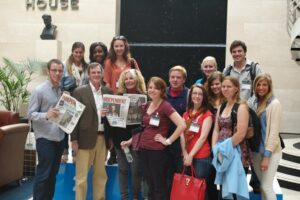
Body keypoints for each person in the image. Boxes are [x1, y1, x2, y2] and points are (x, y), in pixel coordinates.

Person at [223, 40, 262, 191]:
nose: (237, 54)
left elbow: (259, 88)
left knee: (252, 143)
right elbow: (225, 88)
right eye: (234, 52)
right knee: (239, 143)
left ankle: (256, 181)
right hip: (232, 113)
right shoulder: (227, 70)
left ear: (245, 52)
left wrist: (245, 107)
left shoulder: (254, 68)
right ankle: (239, 180)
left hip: (251, 112)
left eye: (239, 51)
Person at [138, 77, 186, 200]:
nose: (152, 90)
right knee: (150, 183)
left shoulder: (165, 106)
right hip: (144, 149)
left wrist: (168, 141)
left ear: (161, 90)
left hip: (157, 152)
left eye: (155, 88)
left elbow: (182, 124)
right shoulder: (147, 105)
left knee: (159, 185)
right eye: (150, 87)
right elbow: (144, 128)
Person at [71, 62, 113, 200]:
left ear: (102, 74)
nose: (96, 74)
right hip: (83, 139)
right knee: (81, 177)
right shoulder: (79, 91)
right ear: (89, 74)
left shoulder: (108, 92)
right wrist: (74, 139)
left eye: (98, 72)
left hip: (102, 139)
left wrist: (110, 138)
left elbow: (112, 119)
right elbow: (74, 118)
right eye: (93, 72)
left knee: (101, 175)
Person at [27, 59, 65, 200]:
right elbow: (30, 114)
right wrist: (46, 115)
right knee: (43, 175)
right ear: (48, 72)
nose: (57, 73)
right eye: (54, 70)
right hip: (45, 139)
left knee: (53, 175)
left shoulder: (61, 89)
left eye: (60, 70)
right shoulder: (39, 90)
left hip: (59, 137)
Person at [109, 69, 147, 200]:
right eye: (126, 79)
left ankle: (136, 197)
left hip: (137, 140)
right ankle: (124, 198)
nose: (129, 81)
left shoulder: (145, 98)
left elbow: (146, 123)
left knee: (136, 171)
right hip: (120, 140)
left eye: (131, 78)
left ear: (137, 80)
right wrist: (105, 116)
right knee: (123, 170)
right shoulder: (117, 97)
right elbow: (111, 122)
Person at [211, 76, 250, 199]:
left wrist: (223, 148)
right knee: (224, 188)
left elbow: (241, 133)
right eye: (223, 86)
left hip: (236, 153)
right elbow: (216, 129)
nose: (225, 89)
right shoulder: (222, 106)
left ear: (236, 89)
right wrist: (215, 148)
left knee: (235, 190)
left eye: (229, 86)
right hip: (221, 153)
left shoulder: (241, 107)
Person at [248, 73, 282, 200]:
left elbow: (273, 133)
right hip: (256, 151)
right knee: (262, 186)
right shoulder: (252, 102)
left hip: (271, 152)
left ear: (269, 86)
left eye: (264, 85)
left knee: (267, 186)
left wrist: (267, 157)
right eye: (258, 85)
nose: (261, 88)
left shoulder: (274, 104)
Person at [180, 85, 213, 200]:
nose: (197, 96)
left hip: (201, 157)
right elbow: (181, 134)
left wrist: (190, 155)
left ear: (204, 97)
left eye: (200, 94)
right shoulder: (186, 114)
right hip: (186, 155)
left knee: (200, 188)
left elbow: (203, 137)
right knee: (189, 188)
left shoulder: (207, 115)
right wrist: (185, 153)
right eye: (194, 93)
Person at [60, 41, 89, 162]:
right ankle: (64, 151)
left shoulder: (87, 66)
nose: (78, 54)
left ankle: (75, 151)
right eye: (76, 52)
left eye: (80, 52)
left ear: (83, 53)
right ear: (72, 52)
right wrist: (63, 91)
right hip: (68, 99)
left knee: (76, 128)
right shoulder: (65, 65)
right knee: (66, 126)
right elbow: (59, 82)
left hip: (82, 100)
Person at [165, 65, 189, 194]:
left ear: (184, 80)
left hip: (182, 142)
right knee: (166, 176)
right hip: (164, 141)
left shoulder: (189, 94)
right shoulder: (162, 93)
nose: (175, 80)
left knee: (181, 175)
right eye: (172, 77)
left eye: (178, 78)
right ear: (169, 79)